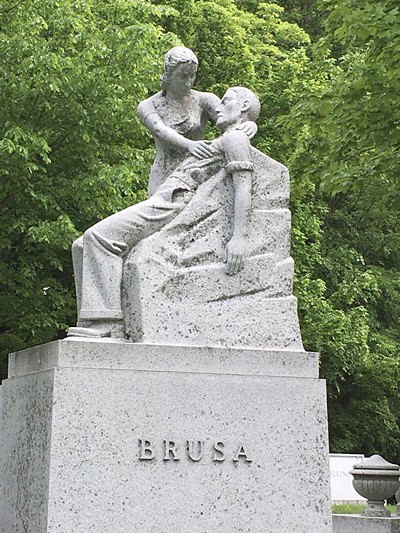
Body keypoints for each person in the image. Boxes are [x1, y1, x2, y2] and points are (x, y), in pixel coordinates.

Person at [68, 86, 261, 338]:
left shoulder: (235, 138)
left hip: (174, 200)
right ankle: (90, 321)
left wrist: (239, 237)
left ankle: (106, 325)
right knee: (81, 245)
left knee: (99, 237)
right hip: (164, 194)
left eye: (225, 101)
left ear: (244, 106)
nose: (219, 108)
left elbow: (243, 185)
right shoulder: (229, 137)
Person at [137, 46, 256, 195]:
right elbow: (160, 129)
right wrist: (189, 145)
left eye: (192, 75)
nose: (188, 82)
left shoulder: (204, 100)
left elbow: (229, 118)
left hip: (196, 170)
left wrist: (250, 123)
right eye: (183, 76)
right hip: (164, 172)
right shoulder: (148, 105)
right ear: (169, 74)